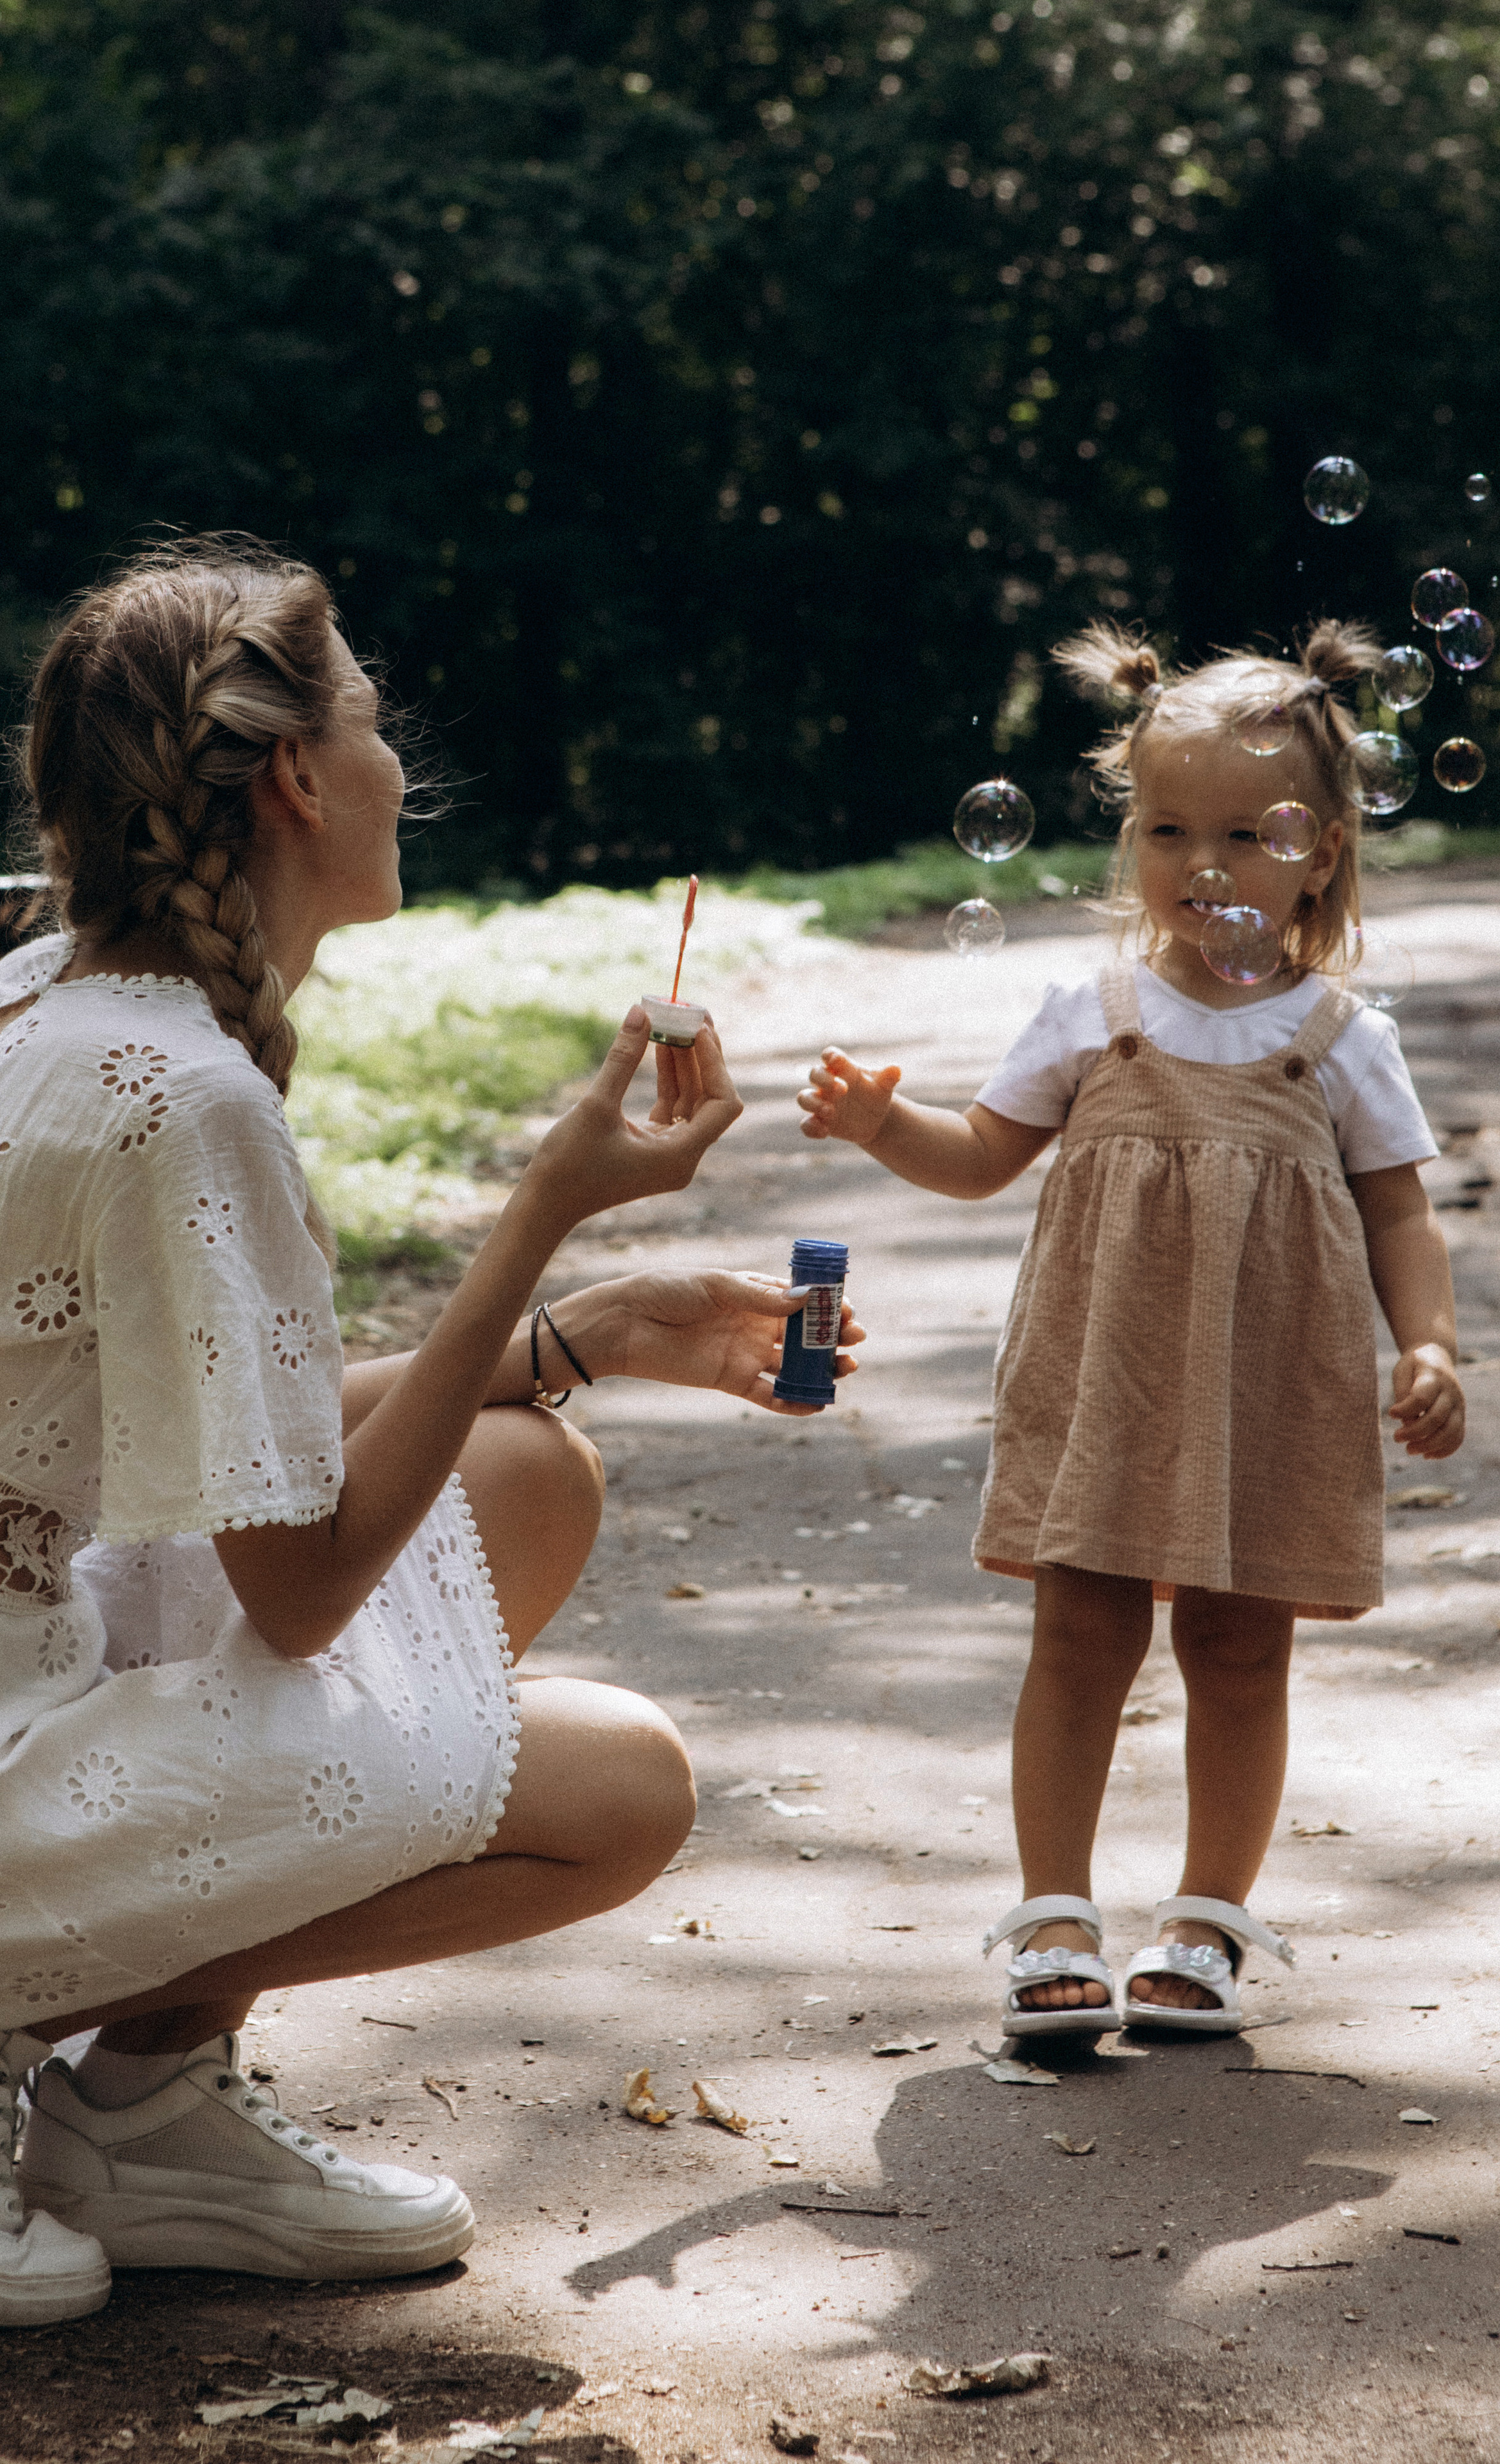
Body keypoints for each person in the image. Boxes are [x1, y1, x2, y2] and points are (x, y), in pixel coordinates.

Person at [0, 539, 860, 2327]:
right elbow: (303, 1584)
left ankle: (145, 2108)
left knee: (524, 1471)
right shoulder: (186, 1098)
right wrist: (544, 1209)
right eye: (375, 724)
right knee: (621, 1790)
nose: (401, 764)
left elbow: (240, 1438)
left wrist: (577, 1338)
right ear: (298, 779)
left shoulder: (45, 999)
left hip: (30, 1639)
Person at [797, 619, 1464, 2047]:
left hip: (1265, 1394)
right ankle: (1052, 1915)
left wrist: (1430, 1344)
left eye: (1246, 834)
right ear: (1129, 836)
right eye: (1167, 830)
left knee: (1241, 1647)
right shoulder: (1087, 1009)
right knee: (1080, 1632)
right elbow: (980, 1156)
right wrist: (881, 1126)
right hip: (1105, 1379)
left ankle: (1207, 1922)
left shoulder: (1341, 1036)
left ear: (1321, 854)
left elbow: (1400, 1212)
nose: (1201, 864)